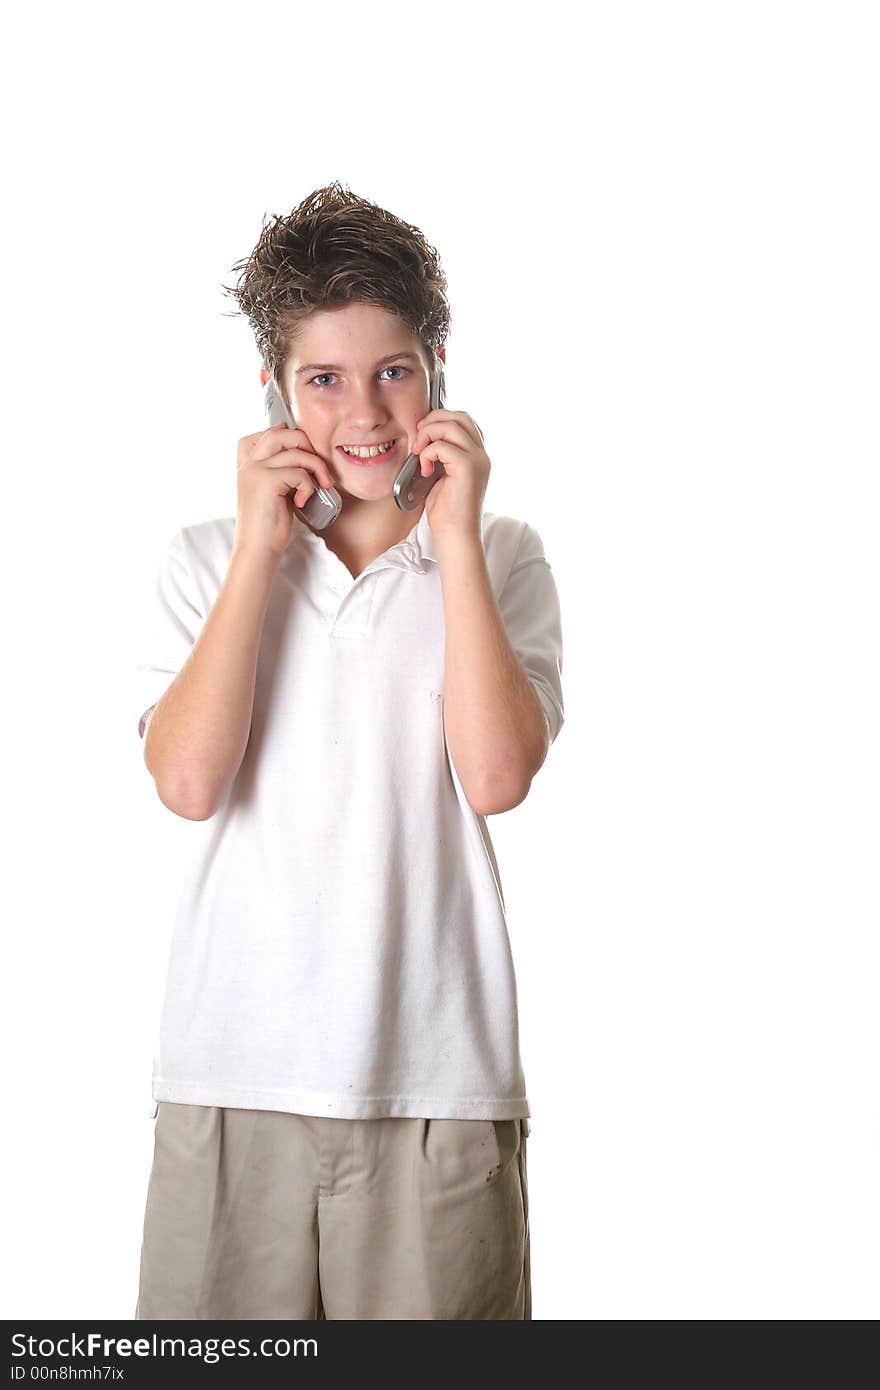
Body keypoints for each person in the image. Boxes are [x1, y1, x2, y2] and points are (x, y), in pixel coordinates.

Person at [133, 181, 565, 1320]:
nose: (364, 409)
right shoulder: (206, 557)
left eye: (395, 370)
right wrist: (257, 556)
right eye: (322, 378)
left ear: (437, 371)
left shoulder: (502, 552)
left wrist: (454, 536)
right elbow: (186, 782)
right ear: (272, 389)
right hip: (233, 1077)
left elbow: (496, 776)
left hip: (439, 1087)